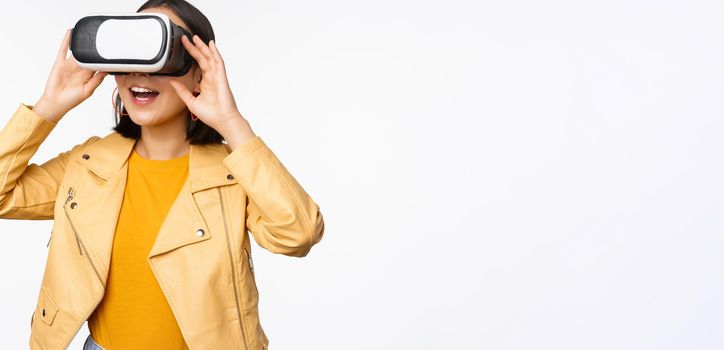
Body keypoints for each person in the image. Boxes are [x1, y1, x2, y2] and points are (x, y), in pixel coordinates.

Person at [0, 0, 325, 349]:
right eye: (131, 56)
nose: (141, 72)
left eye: (160, 56)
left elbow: (299, 233)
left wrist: (232, 122)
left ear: (200, 70)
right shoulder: (88, 164)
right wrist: (49, 106)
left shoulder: (233, 175)